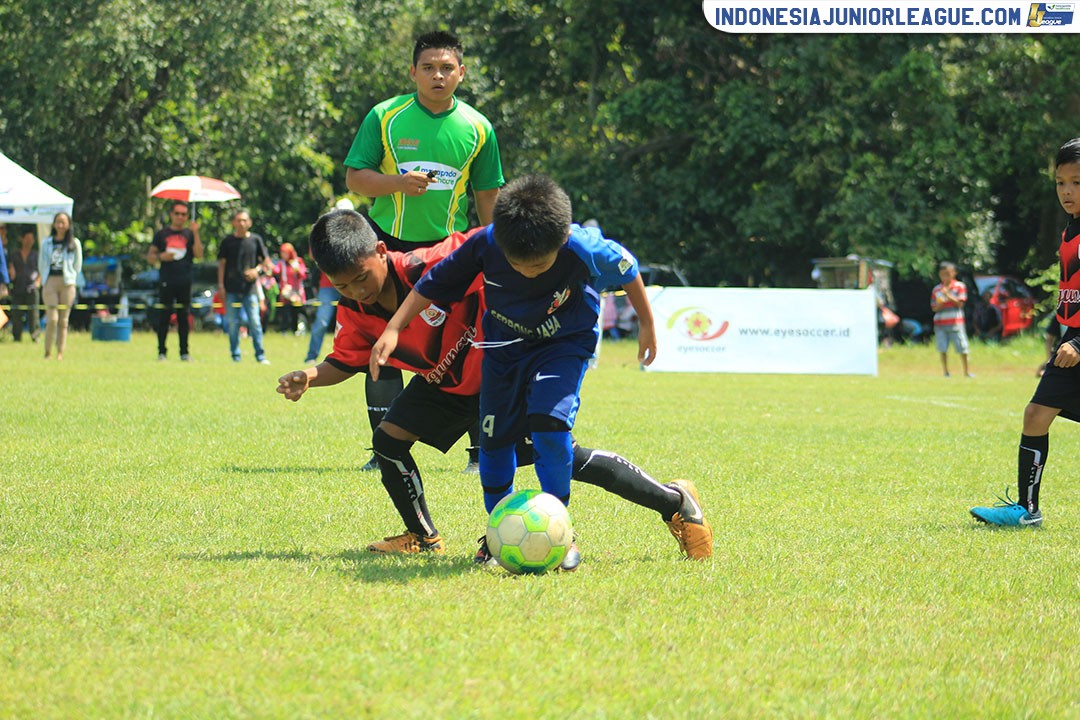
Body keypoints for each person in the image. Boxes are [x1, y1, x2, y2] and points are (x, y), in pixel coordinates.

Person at [277, 208, 711, 565]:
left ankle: (673, 502)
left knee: (559, 452)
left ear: (380, 251)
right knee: (387, 441)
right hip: (444, 385)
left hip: (500, 375)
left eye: (360, 277)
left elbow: (499, 233)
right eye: (342, 285)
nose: (357, 290)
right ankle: (423, 536)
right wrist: (310, 377)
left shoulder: (432, 262)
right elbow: (344, 360)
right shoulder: (355, 311)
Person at [373, 175, 666, 569]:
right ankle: (497, 534)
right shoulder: (486, 242)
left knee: (549, 423)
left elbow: (627, 268)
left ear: (561, 241)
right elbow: (434, 284)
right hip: (503, 348)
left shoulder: (582, 245)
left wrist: (646, 323)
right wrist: (393, 328)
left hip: (564, 345)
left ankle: (561, 534)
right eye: (517, 265)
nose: (528, 273)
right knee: (494, 442)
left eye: (540, 266)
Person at [344, 30, 505, 472]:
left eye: (447, 68)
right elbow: (355, 178)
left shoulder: (478, 127)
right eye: (429, 67)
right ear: (413, 72)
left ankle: (480, 450)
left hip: (450, 255)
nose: (438, 75)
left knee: (471, 345)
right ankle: (383, 451)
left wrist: (494, 251)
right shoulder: (386, 116)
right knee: (383, 343)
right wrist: (397, 183)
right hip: (387, 250)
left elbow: (488, 194)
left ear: (461, 73)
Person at [971, 138, 1080, 527]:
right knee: (1035, 415)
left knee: (1037, 414)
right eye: (1060, 182)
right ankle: (1027, 511)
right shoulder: (1070, 231)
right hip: (1070, 346)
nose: (1067, 191)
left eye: (1077, 183)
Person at [148, 200, 203, 361]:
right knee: (164, 316)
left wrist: (196, 233)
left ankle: (184, 352)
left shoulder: (190, 233)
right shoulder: (162, 234)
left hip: (185, 281)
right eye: (177, 213)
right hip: (166, 280)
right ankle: (161, 352)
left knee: (184, 317)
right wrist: (160, 257)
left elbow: (199, 254)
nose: (180, 217)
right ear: (171, 214)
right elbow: (150, 257)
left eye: (183, 214)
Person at [217, 209, 273, 364]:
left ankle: (260, 355)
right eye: (238, 220)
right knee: (233, 323)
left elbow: (266, 262)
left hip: (250, 289)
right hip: (231, 289)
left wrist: (257, 271)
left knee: (255, 322)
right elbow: (221, 264)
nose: (241, 223)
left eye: (244, 220)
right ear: (234, 223)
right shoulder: (227, 241)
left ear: (249, 223)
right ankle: (235, 356)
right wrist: (221, 285)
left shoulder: (255, 240)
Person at [38, 212, 82, 360]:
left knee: (63, 320)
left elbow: (77, 265)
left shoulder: (74, 243)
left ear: (69, 224)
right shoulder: (47, 243)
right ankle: (47, 351)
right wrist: (44, 278)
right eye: (58, 222)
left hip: (67, 282)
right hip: (50, 281)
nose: (60, 225)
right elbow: (41, 263)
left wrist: (72, 278)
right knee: (52, 319)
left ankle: (60, 352)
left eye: (63, 222)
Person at [931, 261, 972, 378]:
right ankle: (946, 372)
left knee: (962, 347)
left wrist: (948, 295)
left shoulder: (960, 286)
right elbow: (934, 308)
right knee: (942, 348)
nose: (945, 277)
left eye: (948, 274)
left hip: (955, 322)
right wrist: (940, 303)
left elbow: (960, 304)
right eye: (943, 274)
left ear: (954, 273)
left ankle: (966, 371)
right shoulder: (936, 289)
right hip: (940, 323)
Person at [9, 229, 41, 342]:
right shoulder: (14, 254)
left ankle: (35, 335)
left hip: (32, 288)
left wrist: (37, 283)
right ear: (22, 239)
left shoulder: (36, 254)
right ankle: (16, 336)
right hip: (17, 287)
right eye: (27, 239)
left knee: (34, 313)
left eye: (31, 239)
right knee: (16, 313)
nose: (29, 241)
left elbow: (41, 270)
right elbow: (10, 269)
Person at [274, 242, 308, 334]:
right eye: (282, 252)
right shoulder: (281, 263)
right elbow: (275, 271)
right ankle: (284, 330)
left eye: (285, 252)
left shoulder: (298, 261)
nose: (283, 255)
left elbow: (304, 275)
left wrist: (298, 270)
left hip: (297, 293)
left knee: (296, 312)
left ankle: (296, 330)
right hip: (286, 293)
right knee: (285, 312)